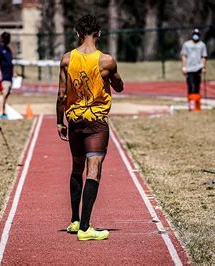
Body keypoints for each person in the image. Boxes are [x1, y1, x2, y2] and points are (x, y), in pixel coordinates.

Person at [56, 14, 124, 241]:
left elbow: (61, 95)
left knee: (77, 167)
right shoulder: (106, 61)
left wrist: (59, 121)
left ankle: (75, 221)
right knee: (93, 169)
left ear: (77, 33)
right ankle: (86, 228)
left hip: (74, 119)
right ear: (99, 33)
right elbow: (119, 86)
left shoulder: (67, 59)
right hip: (95, 121)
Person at [181, 28, 207, 111]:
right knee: (190, 86)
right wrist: (184, 67)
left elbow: (204, 57)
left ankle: (197, 104)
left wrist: (203, 67)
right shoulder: (187, 44)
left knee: (197, 86)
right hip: (189, 68)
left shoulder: (202, 45)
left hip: (198, 68)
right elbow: (184, 56)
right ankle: (190, 104)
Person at [0, 31, 14, 119]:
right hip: (3, 75)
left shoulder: (8, 49)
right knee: (3, 93)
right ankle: (0, 112)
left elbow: (10, 62)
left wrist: (14, 72)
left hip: (9, 75)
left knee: (7, 93)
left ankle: (3, 110)